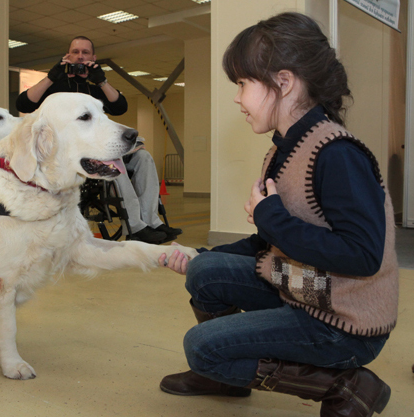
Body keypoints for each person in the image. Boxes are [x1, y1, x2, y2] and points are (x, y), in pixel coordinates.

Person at [158, 12, 398, 417]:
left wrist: (272, 218)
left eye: (242, 83)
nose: (237, 97)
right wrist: (201, 255)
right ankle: (227, 377)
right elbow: (267, 242)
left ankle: (348, 385)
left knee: (202, 348)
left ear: (283, 82)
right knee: (206, 272)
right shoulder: (284, 148)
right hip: (305, 289)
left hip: (343, 323)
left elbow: (362, 255)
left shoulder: (338, 154)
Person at [16, 36, 181, 244]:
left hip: (98, 147)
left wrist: (101, 81)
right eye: (75, 52)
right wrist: (51, 77)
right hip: (72, 158)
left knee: (144, 158)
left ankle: (151, 221)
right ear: (67, 56)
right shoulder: (54, 89)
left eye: (85, 53)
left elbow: (120, 107)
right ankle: (135, 227)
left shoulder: (95, 90)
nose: (80, 56)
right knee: (114, 165)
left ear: (93, 58)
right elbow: (23, 103)